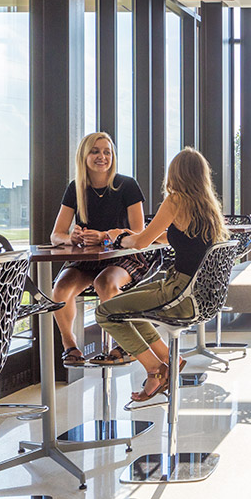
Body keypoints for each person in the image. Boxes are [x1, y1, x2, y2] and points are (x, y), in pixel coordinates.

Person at [95, 148, 226, 403]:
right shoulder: (208, 206)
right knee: (127, 302)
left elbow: (141, 241)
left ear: (176, 174)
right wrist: (134, 234)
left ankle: (154, 370)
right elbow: (176, 237)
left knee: (105, 312)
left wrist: (118, 237)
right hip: (197, 293)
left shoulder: (176, 200)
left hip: (179, 293)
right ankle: (169, 358)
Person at [49, 132, 151, 367]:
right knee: (60, 289)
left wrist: (106, 235)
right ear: (84, 155)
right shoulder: (76, 188)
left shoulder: (127, 185)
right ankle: (70, 345)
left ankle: (123, 345)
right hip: (87, 259)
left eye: (107, 152)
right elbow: (56, 235)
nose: (101, 156)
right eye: (95, 151)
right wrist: (71, 238)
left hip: (122, 257)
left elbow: (139, 232)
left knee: (104, 283)